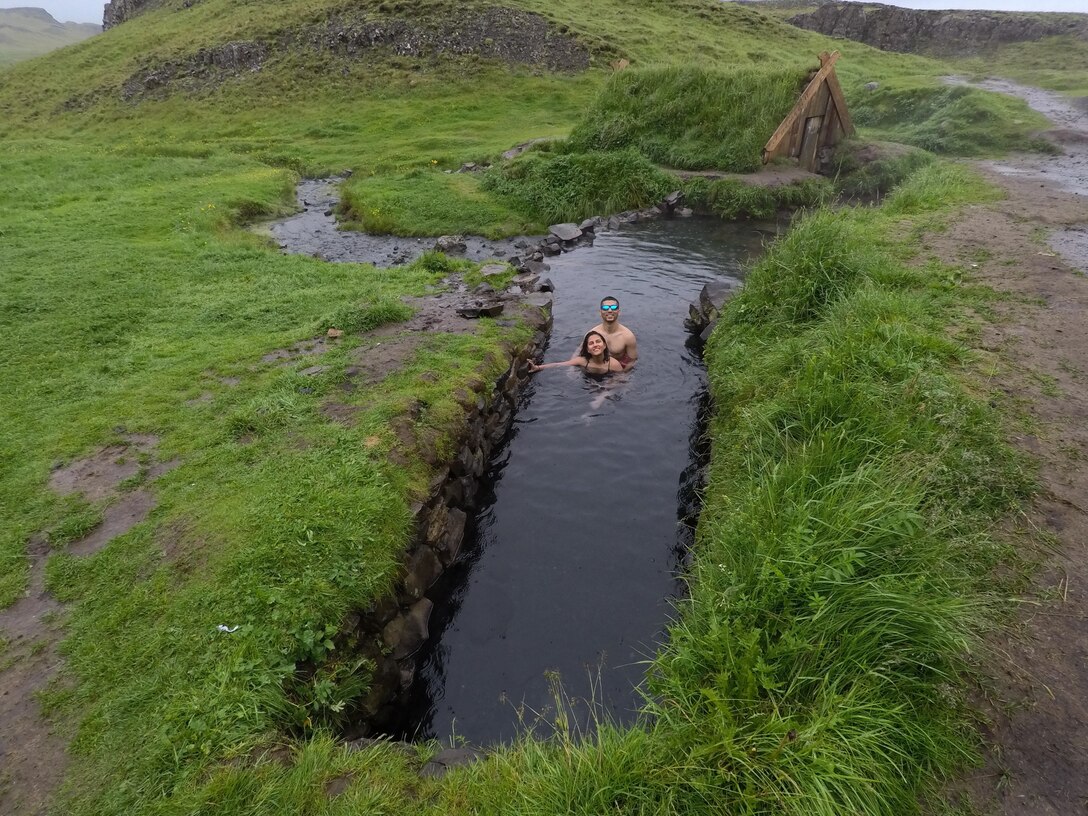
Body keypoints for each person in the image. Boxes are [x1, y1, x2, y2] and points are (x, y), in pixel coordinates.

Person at [529, 330, 624, 375]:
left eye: (598, 341)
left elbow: (621, 381)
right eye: (591, 343)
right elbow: (559, 364)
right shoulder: (582, 361)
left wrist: (602, 395)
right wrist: (538, 367)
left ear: (604, 345)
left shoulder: (614, 364)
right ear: (587, 349)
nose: (595, 345)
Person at [587, 296, 638, 368]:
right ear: (600, 312)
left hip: (617, 370)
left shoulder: (628, 336)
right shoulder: (592, 334)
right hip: (597, 369)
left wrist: (621, 373)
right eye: (605, 308)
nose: (610, 310)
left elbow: (632, 361)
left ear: (619, 312)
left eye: (614, 307)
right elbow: (579, 354)